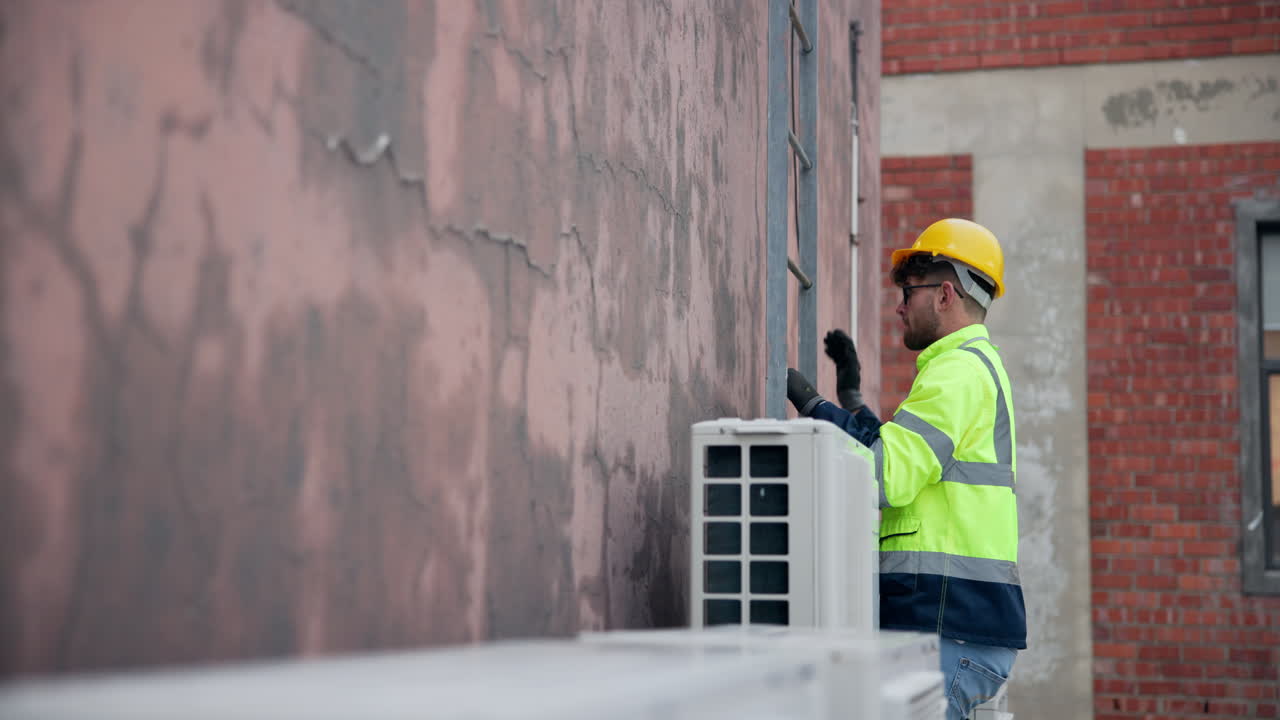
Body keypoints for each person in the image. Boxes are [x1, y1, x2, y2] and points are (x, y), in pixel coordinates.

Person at [786, 218, 1025, 720]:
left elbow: (882, 473)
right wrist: (850, 400)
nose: (899, 304)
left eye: (908, 290)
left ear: (944, 295)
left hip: (946, 626)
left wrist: (810, 404)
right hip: (961, 625)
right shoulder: (970, 368)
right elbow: (905, 460)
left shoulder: (956, 372)